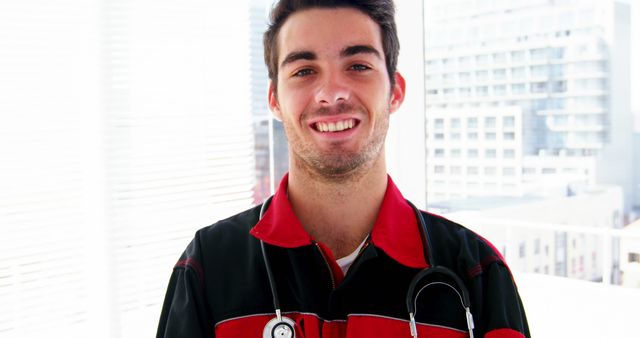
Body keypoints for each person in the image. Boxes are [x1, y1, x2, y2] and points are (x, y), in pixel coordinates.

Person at [156, 0, 530, 337]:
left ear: (395, 91)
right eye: (304, 71)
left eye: (358, 65)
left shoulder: (478, 272)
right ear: (274, 99)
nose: (332, 92)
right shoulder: (207, 266)